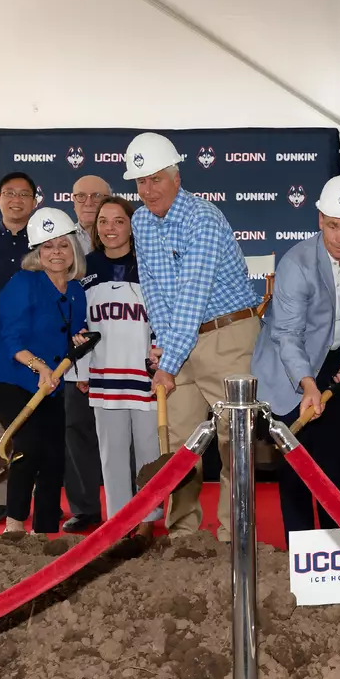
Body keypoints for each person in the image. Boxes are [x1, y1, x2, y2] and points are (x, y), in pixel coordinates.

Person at [124, 132, 260, 539]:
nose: (148, 190)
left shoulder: (203, 217)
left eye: (156, 179)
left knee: (232, 442)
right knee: (179, 445)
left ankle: (234, 537)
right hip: (179, 339)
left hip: (227, 337)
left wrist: (166, 365)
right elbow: (153, 288)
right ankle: (182, 537)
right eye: (140, 182)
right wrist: (165, 346)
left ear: (176, 177)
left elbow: (192, 295)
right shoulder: (141, 220)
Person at [250, 174, 340, 543]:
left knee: (331, 463)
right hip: (287, 367)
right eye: (333, 226)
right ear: (320, 219)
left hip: (334, 360)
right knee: (296, 466)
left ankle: (333, 551)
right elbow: (288, 336)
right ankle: (301, 552)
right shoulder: (297, 264)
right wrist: (308, 384)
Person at [0, 209, 89, 535]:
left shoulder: (76, 291)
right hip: (8, 375)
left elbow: (71, 332)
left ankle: (43, 532)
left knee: (55, 451)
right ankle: (14, 528)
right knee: (28, 444)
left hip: (49, 380)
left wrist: (77, 342)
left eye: (63, 246)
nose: (56, 252)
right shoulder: (23, 283)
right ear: (37, 253)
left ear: (74, 251)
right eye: (48, 246)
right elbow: (11, 339)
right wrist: (40, 367)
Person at [82, 197, 163, 542]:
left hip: (145, 374)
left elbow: (166, 316)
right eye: (103, 221)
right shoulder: (84, 266)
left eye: (118, 221)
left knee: (149, 451)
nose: (110, 228)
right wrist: (81, 370)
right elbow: (78, 324)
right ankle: (118, 521)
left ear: (132, 225)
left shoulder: (150, 265)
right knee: (111, 454)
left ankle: (149, 519)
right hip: (104, 373)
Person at [0, 170, 40, 525]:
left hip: (41, 346)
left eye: (24, 194)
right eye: (9, 193)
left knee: (39, 424)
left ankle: (38, 495)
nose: (17, 200)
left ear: (35, 201)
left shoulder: (48, 243)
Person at [60, 174, 113, 531]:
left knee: (122, 434)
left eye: (98, 196)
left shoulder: (132, 238)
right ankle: (84, 509)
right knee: (76, 428)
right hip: (75, 348)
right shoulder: (60, 240)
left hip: (123, 345)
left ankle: (131, 508)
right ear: (73, 200)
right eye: (82, 196)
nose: (89, 202)